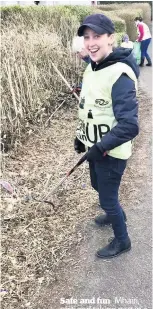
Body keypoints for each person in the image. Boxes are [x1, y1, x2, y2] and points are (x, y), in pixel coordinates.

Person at [74, 13, 139, 259]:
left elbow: (129, 126)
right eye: (87, 37)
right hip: (96, 147)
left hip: (111, 152)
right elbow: (90, 107)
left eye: (97, 36)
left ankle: (122, 240)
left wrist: (100, 146)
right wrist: (81, 137)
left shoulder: (119, 74)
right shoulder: (92, 67)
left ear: (111, 38)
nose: (90, 42)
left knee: (108, 198)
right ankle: (114, 212)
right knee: (97, 186)